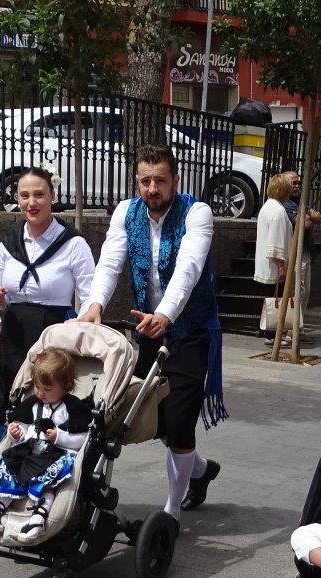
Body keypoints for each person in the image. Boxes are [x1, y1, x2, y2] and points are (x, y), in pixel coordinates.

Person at [84, 143, 227, 526]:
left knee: (180, 422)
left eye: (160, 181)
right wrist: (95, 304)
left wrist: (165, 314)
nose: (152, 189)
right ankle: (201, 470)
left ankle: (171, 511)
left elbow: (189, 268)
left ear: (175, 179)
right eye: (145, 181)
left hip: (191, 331)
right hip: (148, 331)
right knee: (155, 420)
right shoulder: (125, 212)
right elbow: (110, 262)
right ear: (136, 180)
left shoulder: (197, 213)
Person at [0, 168, 95, 450]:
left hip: (52, 335)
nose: (31, 202)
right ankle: (2, 462)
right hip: (14, 335)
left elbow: (90, 298)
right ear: (17, 199)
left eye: (39, 195)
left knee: (45, 401)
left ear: (52, 197)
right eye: (24, 196)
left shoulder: (73, 244)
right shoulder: (9, 242)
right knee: (7, 400)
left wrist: (81, 326)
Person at [0, 348, 92, 544]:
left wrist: (60, 437)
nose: (40, 393)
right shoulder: (32, 404)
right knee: (7, 472)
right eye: (37, 387)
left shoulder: (72, 408)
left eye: (47, 389)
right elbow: (25, 429)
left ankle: (38, 519)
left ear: (66, 386)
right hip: (29, 451)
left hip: (54, 454)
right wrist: (15, 433)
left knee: (47, 483)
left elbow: (83, 439)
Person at [253, 172, 304, 346]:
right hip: (275, 265)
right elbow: (276, 241)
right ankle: (272, 334)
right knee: (277, 299)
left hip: (267, 263)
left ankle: (272, 332)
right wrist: (281, 267)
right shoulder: (278, 212)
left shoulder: (268, 207)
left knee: (272, 299)